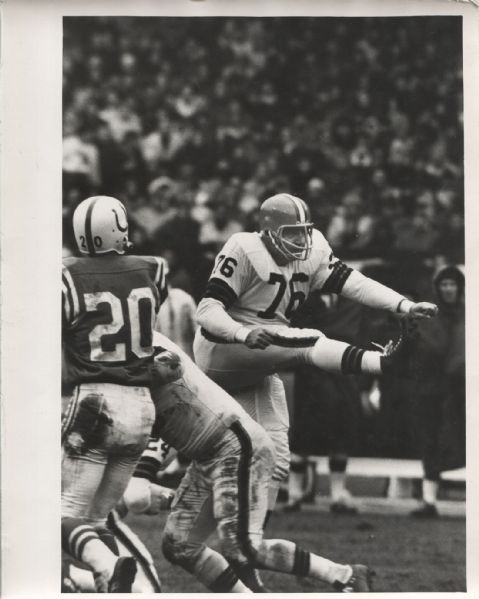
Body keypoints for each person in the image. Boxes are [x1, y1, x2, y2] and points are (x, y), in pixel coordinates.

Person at [193, 193, 438, 519]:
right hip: (223, 349)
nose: (302, 239)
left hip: (265, 357)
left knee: (277, 457)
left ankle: (249, 537)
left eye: (305, 230)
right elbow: (207, 309)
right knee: (311, 341)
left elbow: (354, 282)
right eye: (291, 232)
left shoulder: (314, 252)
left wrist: (403, 305)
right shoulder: (243, 248)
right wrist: (242, 333)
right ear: (268, 232)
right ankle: (381, 363)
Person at [150, 331, 377, 593]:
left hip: (234, 447)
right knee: (179, 544)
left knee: (243, 546)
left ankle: (345, 575)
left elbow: (164, 372)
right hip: (208, 452)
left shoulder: (147, 347)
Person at [61, 195, 169, 592]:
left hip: (94, 401)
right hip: (141, 405)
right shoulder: (153, 269)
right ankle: (126, 586)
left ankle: (106, 569)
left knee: (60, 517)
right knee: (95, 521)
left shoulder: (65, 274)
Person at [410, 265, 465, 518]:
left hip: (461, 389)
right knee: (431, 441)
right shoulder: (431, 317)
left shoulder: (467, 314)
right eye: (444, 284)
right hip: (434, 389)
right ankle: (429, 501)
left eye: (453, 284)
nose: (448, 289)